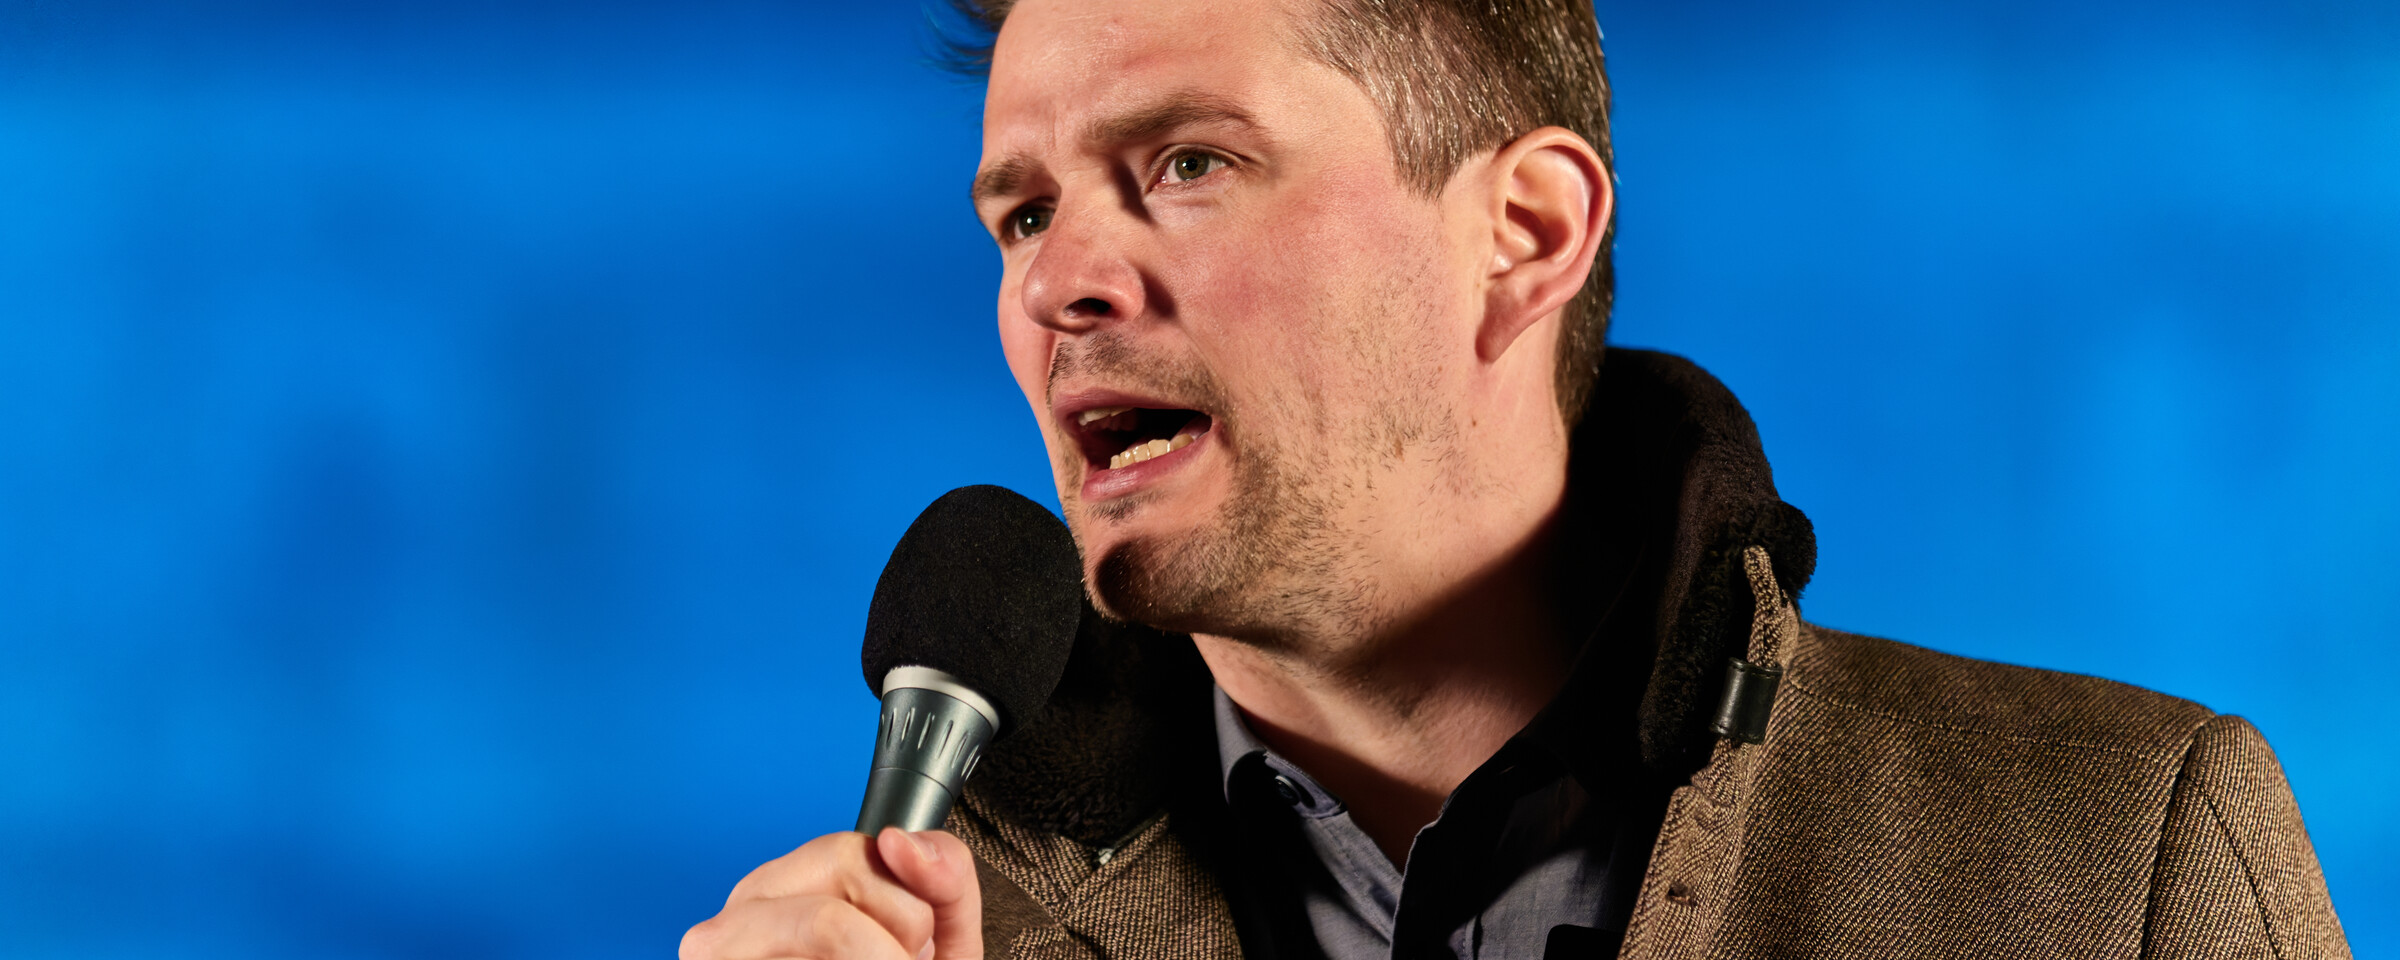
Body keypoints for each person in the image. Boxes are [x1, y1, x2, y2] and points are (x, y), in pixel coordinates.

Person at [682, 0, 2350, 956]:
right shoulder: (929, 934)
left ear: (1525, 232)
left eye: (1186, 163)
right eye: (1025, 212)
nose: (1057, 284)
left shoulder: (2112, 857)